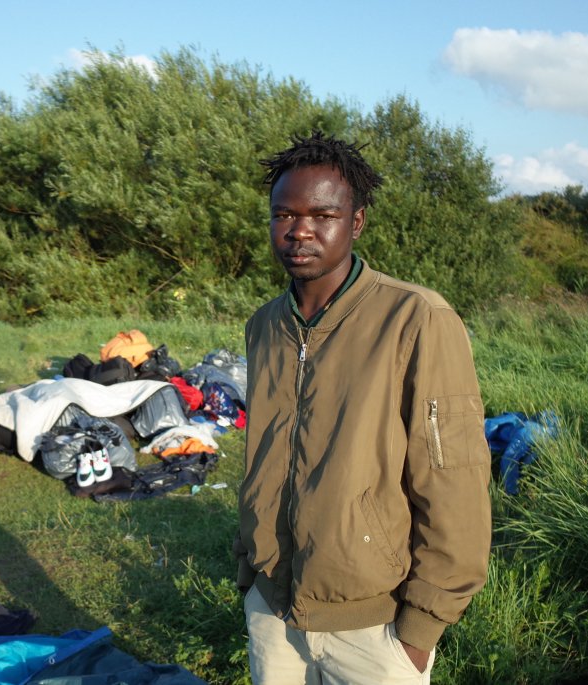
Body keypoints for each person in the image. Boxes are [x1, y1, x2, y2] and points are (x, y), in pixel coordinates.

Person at [235, 131, 492, 684]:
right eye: (284, 214)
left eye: (321, 214)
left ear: (356, 222)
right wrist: (248, 566)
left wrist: (420, 630)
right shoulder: (264, 325)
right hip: (270, 601)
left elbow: (454, 480)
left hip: (374, 625)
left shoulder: (415, 318)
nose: (300, 229)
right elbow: (261, 455)